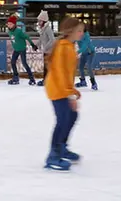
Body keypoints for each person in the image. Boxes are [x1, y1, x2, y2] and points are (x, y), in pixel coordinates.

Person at [43, 17, 83, 171]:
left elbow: (67, 73)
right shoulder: (63, 47)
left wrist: (72, 90)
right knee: (63, 120)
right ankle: (53, 156)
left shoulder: (69, 46)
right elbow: (60, 72)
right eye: (79, 31)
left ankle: (62, 148)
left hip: (61, 87)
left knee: (72, 116)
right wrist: (69, 94)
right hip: (56, 88)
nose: (81, 33)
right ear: (70, 32)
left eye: (82, 30)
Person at [7, 15, 37, 85]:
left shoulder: (19, 31)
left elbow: (27, 37)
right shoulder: (9, 31)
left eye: (10, 24)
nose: (9, 25)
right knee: (13, 62)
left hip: (22, 49)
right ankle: (16, 77)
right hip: (16, 49)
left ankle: (32, 79)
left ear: (14, 24)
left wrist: (32, 45)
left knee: (24, 63)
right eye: (8, 24)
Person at [36, 10, 55, 87]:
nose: (38, 22)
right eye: (38, 20)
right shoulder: (43, 29)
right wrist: (37, 45)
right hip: (46, 51)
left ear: (44, 21)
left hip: (50, 51)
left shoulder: (48, 29)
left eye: (40, 21)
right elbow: (41, 38)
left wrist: (45, 48)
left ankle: (47, 80)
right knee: (46, 66)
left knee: (47, 66)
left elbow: (52, 40)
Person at [76, 25, 97, 91]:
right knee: (80, 67)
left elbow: (84, 46)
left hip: (90, 53)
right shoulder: (77, 35)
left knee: (88, 67)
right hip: (84, 53)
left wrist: (77, 52)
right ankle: (83, 81)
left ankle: (94, 83)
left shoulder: (86, 36)